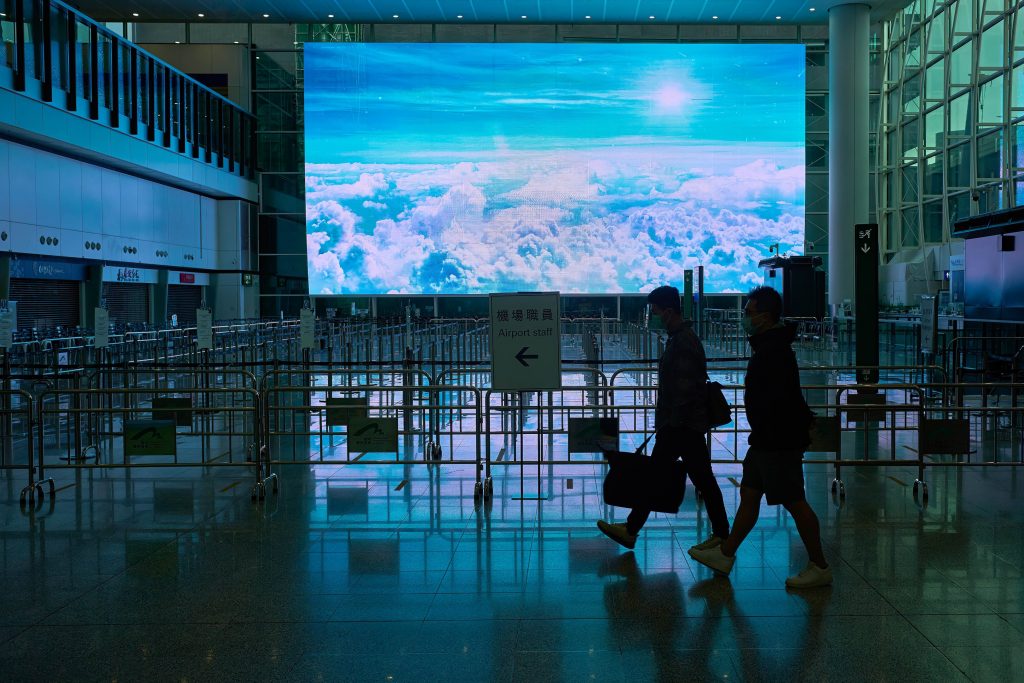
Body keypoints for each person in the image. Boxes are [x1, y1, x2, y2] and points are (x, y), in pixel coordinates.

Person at [688, 285, 832, 589]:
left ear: (765, 317)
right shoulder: (769, 346)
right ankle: (726, 554)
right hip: (766, 438)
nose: (745, 318)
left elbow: (778, 400)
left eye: (749, 312)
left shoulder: (773, 351)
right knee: (750, 493)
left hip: (777, 440)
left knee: (794, 501)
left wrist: (774, 434)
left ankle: (819, 566)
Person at [597, 285, 730, 551]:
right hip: (682, 424)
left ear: (668, 311)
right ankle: (633, 529)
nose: (652, 316)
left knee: (680, 478)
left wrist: (670, 424)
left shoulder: (683, 341)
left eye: (654, 311)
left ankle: (720, 535)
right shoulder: (678, 338)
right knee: (680, 478)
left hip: (681, 426)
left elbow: (685, 388)